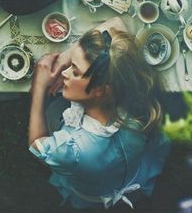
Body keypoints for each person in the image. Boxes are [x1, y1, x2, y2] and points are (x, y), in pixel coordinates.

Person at [28, 17, 170, 210]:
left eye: (75, 72)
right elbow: (117, 24)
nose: (64, 73)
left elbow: (36, 142)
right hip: (130, 173)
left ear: (101, 90)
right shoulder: (138, 109)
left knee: (51, 113)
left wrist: (39, 85)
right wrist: (65, 60)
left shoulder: (73, 151)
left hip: (90, 191)